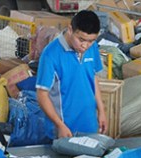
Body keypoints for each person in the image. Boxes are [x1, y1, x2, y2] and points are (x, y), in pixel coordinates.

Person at [36, 10, 106, 138]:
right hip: (64, 129)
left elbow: (92, 77)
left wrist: (101, 110)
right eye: (81, 39)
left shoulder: (93, 47)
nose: (85, 45)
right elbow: (42, 94)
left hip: (89, 125)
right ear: (70, 29)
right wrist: (60, 125)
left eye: (90, 41)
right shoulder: (50, 54)